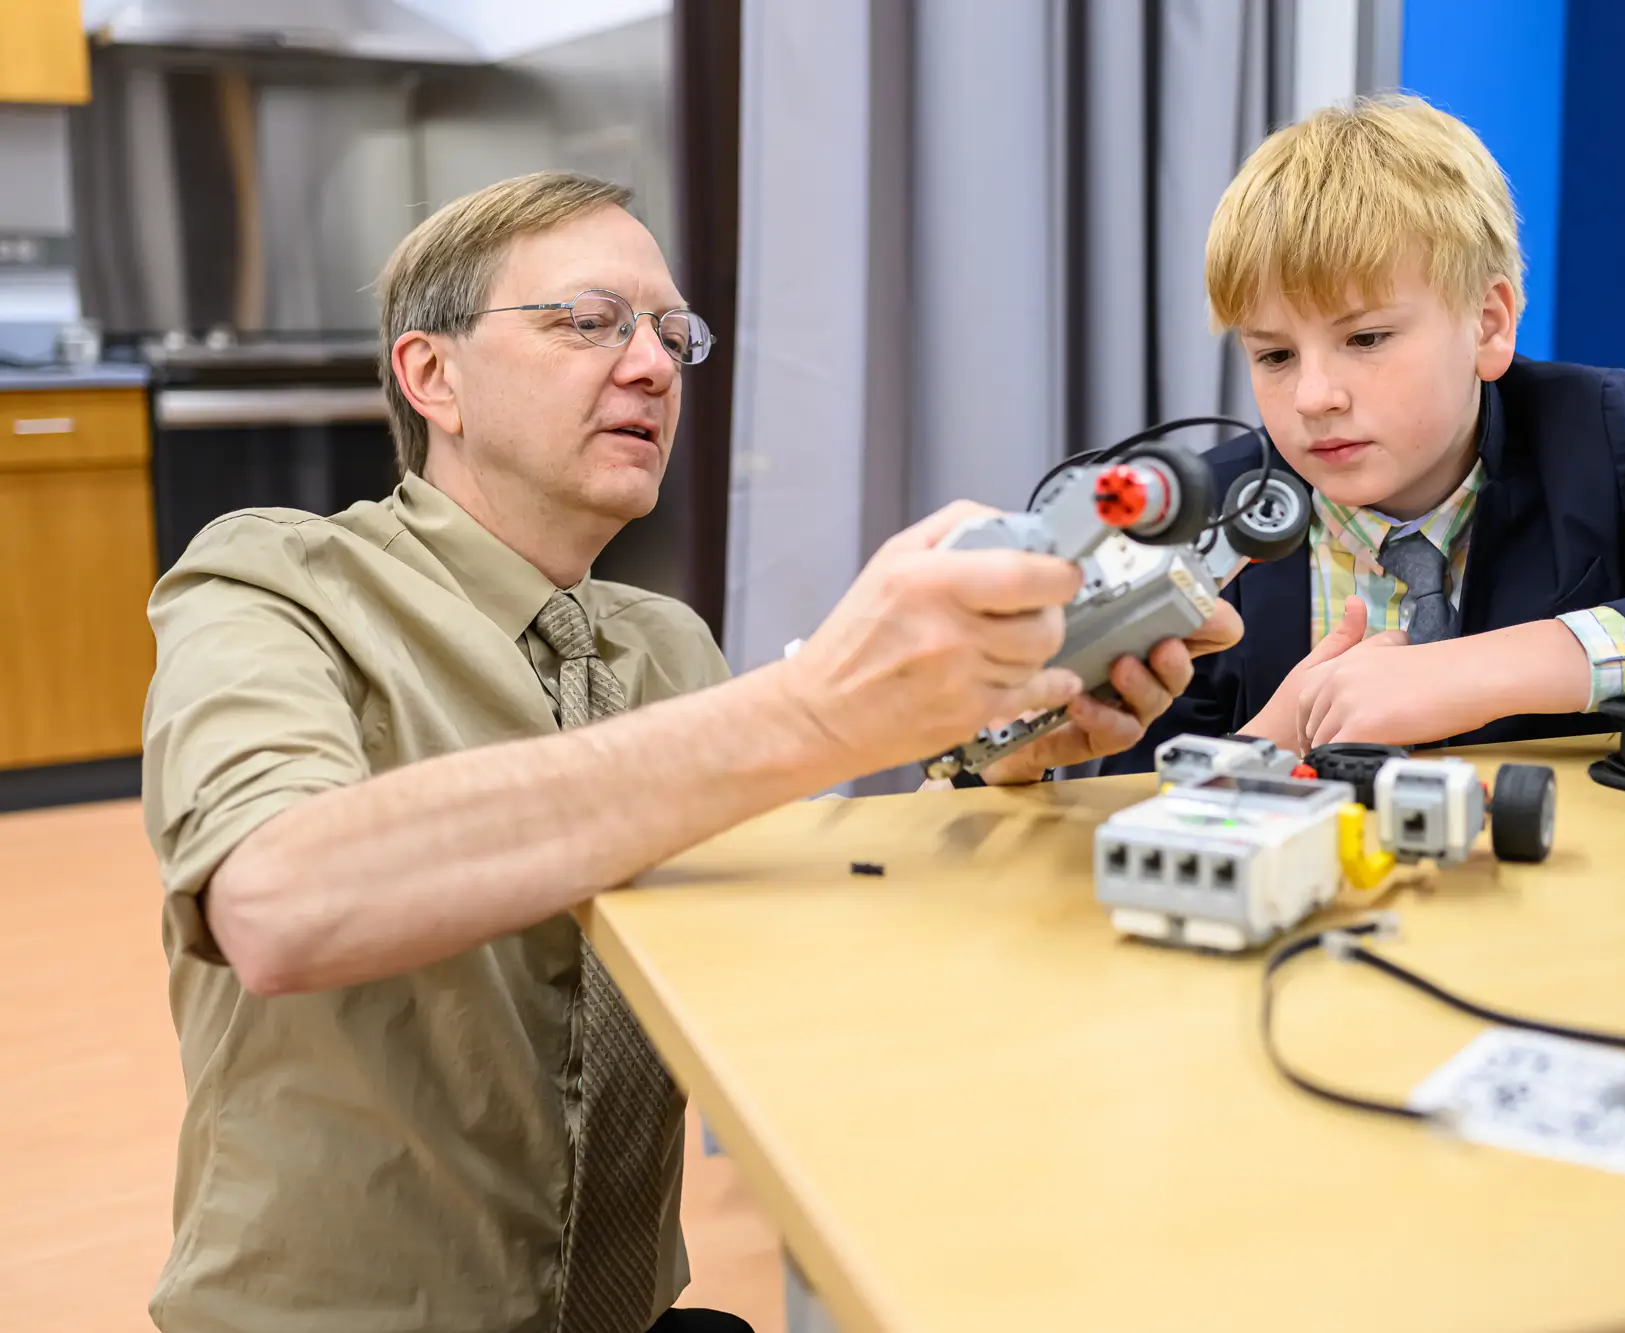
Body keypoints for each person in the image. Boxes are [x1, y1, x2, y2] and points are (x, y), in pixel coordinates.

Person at [140, 171, 1239, 1333]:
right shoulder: (269, 579)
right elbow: (275, 899)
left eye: (673, 333)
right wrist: (812, 710)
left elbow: (784, 957)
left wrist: (986, 761)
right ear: (433, 375)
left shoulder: (662, 646)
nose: (655, 366)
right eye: (588, 321)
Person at [1102, 95, 1625, 772]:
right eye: (1275, 354)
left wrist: (1488, 667)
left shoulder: (1595, 440)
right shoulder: (1206, 520)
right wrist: (1272, 741)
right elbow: (1118, 803)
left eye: (1365, 339)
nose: (1315, 396)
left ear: (1489, 324)